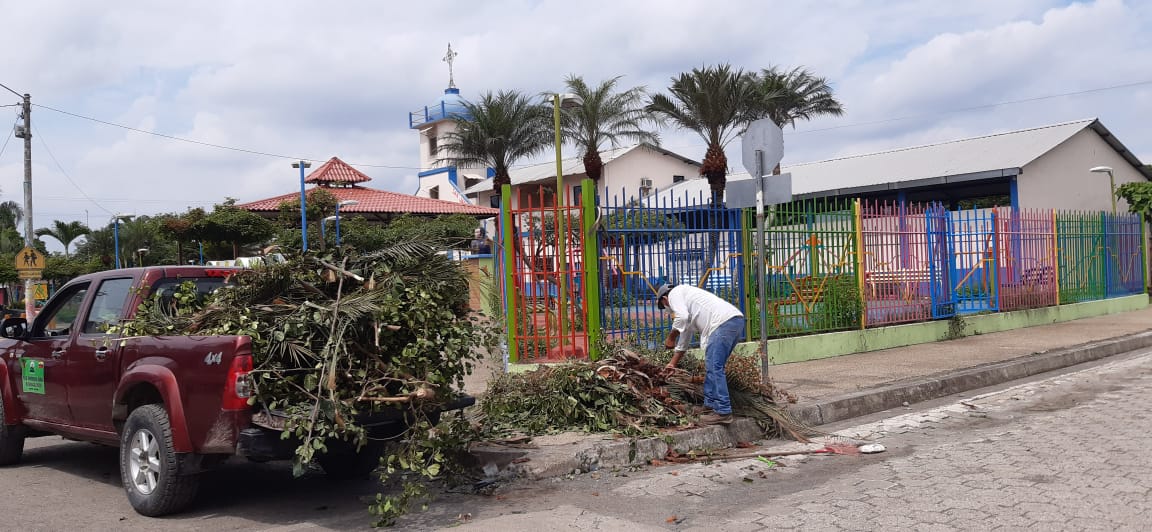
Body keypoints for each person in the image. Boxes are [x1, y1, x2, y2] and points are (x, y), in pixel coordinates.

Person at [657, 283, 745, 426]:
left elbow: (682, 318)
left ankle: (723, 412)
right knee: (713, 367)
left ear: (664, 299)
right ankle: (709, 406)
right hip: (733, 321)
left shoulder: (675, 293)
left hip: (723, 323)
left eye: (663, 305)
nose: (667, 308)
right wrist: (672, 364)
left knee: (714, 367)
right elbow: (684, 338)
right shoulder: (686, 300)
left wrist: (671, 337)